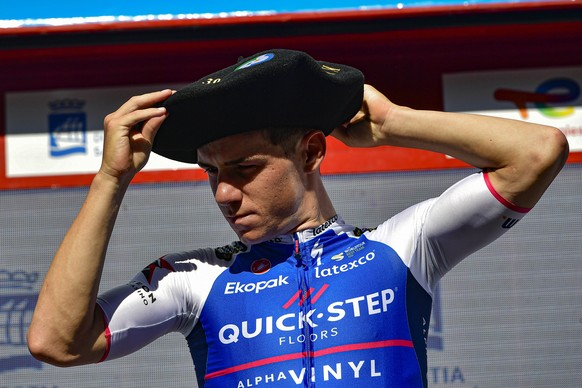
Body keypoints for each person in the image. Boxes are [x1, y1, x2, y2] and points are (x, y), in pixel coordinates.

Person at [27, 49, 568, 387]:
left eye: (244, 168)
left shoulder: (402, 246)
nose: (224, 193)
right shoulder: (192, 279)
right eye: (212, 173)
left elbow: (537, 154)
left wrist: (395, 123)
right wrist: (110, 179)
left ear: (311, 153)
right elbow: (57, 342)